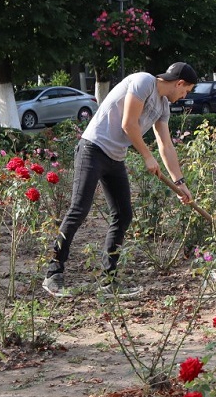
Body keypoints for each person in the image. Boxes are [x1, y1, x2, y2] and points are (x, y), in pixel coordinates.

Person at [43, 62, 197, 298]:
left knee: (123, 215)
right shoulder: (144, 82)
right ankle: (53, 273)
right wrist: (147, 156)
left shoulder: (163, 106)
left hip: (115, 157)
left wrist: (180, 183)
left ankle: (109, 280)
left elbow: (166, 145)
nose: (185, 96)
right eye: (186, 90)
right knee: (79, 209)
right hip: (93, 149)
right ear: (179, 83)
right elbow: (128, 123)